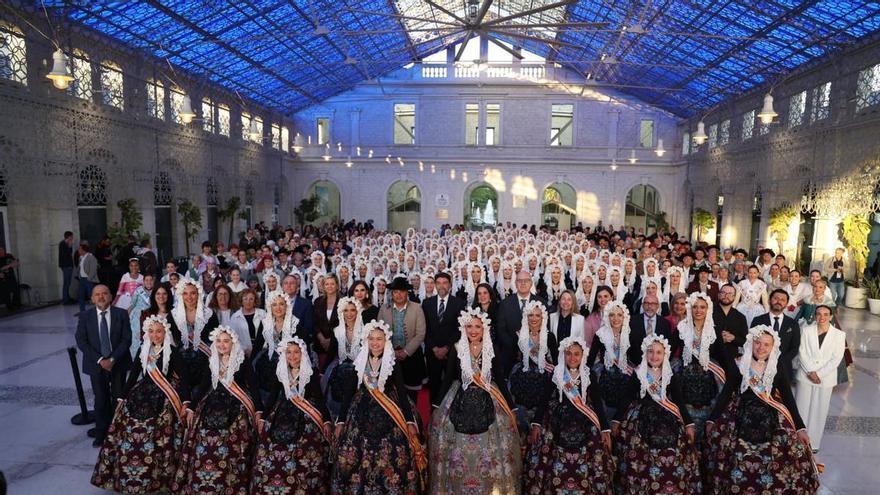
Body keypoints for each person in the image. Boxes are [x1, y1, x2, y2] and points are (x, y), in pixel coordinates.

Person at [704, 325, 819, 494]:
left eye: (766, 344)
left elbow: (788, 399)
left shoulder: (777, 367)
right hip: (740, 418)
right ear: (751, 343)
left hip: (770, 418)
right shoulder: (739, 364)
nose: (761, 348)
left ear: (773, 347)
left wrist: (800, 427)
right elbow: (726, 393)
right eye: (757, 343)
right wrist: (711, 419)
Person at [91, 315, 189, 492]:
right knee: (129, 424)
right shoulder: (142, 350)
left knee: (162, 426)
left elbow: (184, 380)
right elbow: (134, 374)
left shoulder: (173, 352)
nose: (155, 335)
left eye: (158, 331)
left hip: (165, 394)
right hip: (142, 392)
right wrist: (122, 397)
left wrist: (186, 401)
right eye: (151, 331)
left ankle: (159, 478)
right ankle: (128, 475)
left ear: (165, 332)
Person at [430, 308, 521, 494]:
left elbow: (500, 379)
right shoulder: (457, 348)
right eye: (469, 326)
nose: (473, 331)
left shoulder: (492, 348)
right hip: (459, 397)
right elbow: (447, 378)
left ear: (484, 329)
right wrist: (436, 406)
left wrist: (512, 408)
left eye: (477, 327)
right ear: (464, 328)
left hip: (489, 396)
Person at [332, 320, 425, 494]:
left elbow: (403, 394)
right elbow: (348, 393)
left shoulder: (392, 363)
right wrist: (341, 420)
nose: (375, 343)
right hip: (361, 408)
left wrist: (410, 421)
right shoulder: (359, 362)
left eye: (379, 339)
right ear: (366, 340)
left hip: (389, 408)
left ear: (386, 341)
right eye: (372, 339)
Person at [172, 325, 262, 494]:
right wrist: (192, 407)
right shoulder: (213, 360)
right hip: (211, 405)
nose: (222, 345)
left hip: (237, 407)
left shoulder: (243, 361)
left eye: (226, 341)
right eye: (219, 341)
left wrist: (259, 412)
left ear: (233, 343)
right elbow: (204, 385)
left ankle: (229, 484)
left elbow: (254, 388)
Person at [523, 336, 614, 495]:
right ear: (563, 355)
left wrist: (605, 429)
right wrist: (536, 423)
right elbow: (544, 399)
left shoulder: (589, 374)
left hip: (585, 419)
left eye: (576, 354)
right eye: (569, 354)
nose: (572, 358)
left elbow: (598, 403)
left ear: (582, 356)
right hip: (559, 417)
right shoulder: (557, 373)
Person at [612, 335, 701, 495]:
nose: (654, 356)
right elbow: (626, 398)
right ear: (645, 354)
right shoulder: (638, 374)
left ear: (665, 355)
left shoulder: (670, 375)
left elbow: (679, 401)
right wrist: (617, 420)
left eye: (658, 352)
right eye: (651, 352)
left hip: (668, 418)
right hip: (641, 418)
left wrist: (688, 424)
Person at [251, 337, 331, 493]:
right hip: (281, 415)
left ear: (303, 354)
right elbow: (272, 397)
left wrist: (327, 420)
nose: (293, 356)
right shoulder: (280, 371)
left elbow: (320, 399)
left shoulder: (311, 372)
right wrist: (262, 417)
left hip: (305, 417)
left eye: (296, 352)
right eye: (289, 352)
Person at [75, 284, 132, 446]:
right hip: (96, 364)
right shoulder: (85, 317)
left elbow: (126, 339)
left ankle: (119, 431)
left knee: (119, 398)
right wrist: (101, 360)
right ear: (92, 298)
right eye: (97, 294)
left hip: (118, 363)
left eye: (104, 293)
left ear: (111, 296)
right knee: (100, 399)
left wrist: (112, 359)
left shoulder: (121, 314)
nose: (101, 297)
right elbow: (82, 341)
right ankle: (101, 432)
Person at [673, 292, 726, 447]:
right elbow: (669, 349)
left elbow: (723, 356)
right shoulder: (682, 328)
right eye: (695, 306)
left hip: (709, 378)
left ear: (708, 309)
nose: (698, 310)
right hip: (685, 378)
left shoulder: (714, 329)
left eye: (702, 307)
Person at [795, 305, 846, 452]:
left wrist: (819, 374)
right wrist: (811, 371)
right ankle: (798, 440)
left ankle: (814, 443)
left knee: (819, 410)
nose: (821, 317)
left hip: (825, 378)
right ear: (815, 316)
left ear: (831, 317)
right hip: (805, 375)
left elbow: (836, 358)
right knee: (801, 407)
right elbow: (801, 351)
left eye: (825, 314)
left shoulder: (838, 335)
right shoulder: (806, 330)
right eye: (818, 314)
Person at [509, 300, 558, 438]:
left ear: (543, 318)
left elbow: (557, 362)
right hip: (522, 377)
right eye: (531, 315)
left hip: (544, 377)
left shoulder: (550, 337)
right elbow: (512, 357)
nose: (534, 318)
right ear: (526, 317)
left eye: (537, 315)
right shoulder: (519, 335)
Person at [379, 277, 427, 401]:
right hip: (390, 356)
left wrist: (406, 351)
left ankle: (412, 419)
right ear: (392, 294)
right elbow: (379, 333)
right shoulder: (384, 309)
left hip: (412, 356)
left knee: (411, 395)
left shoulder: (417, 308)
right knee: (392, 393)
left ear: (407, 292)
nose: (399, 294)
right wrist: (391, 351)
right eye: (395, 292)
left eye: (402, 291)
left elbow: (421, 333)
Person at [422, 272, 466, 405]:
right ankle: (433, 415)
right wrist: (434, 348)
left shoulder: (459, 303)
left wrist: (446, 348)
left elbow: (460, 329)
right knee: (433, 385)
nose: (442, 286)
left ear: (450, 286)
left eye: (445, 283)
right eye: (439, 283)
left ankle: (449, 416)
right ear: (435, 285)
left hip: (451, 352)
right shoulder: (427, 303)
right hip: (432, 352)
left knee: (451, 385)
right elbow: (425, 329)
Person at [323, 296, 365, 419]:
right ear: (341, 312)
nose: (349, 313)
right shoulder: (337, 330)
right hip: (341, 367)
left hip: (360, 369)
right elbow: (331, 352)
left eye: (352, 310)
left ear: (358, 312)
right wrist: (322, 371)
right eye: (346, 310)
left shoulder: (365, 330)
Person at [170, 279, 213, 397]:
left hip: (205, 364)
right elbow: (171, 341)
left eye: (193, 293)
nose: (189, 297)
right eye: (185, 293)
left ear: (198, 294)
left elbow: (214, 340)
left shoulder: (209, 314)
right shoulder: (173, 314)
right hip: (181, 364)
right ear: (180, 295)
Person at [254, 291, 299, 399]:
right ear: (270, 307)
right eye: (274, 305)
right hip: (269, 357)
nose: (278, 308)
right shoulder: (265, 322)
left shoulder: (295, 322)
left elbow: (300, 347)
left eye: (281, 304)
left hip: (291, 359)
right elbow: (258, 344)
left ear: (286, 306)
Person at [751, 289, 801, 379]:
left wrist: (780, 361)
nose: (779, 302)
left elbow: (795, 347)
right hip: (759, 367)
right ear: (769, 300)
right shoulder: (758, 320)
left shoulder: (793, 324)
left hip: (784, 368)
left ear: (786, 304)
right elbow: (752, 342)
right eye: (776, 298)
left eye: (782, 300)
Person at [713, 283, 748, 369]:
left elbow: (745, 340)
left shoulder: (740, 317)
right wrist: (719, 338)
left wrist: (733, 338)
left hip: (732, 359)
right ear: (718, 295)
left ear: (734, 297)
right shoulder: (708, 312)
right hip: (712, 357)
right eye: (723, 293)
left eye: (730, 294)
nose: (726, 296)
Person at [313, 273, 341, 366]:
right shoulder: (318, 301)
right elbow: (315, 322)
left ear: (337, 285)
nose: (330, 286)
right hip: (321, 344)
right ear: (323, 286)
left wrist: (331, 340)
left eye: (332, 284)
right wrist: (322, 339)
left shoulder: (343, 301)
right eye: (327, 284)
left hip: (338, 344)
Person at [230, 288, 265, 357]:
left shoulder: (263, 314)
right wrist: (243, 349)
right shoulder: (235, 316)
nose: (248, 302)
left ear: (255, 301)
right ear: (241, 301)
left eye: (251, 299)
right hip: (243, 353)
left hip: (261, 351)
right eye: (245, 299)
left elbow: (267, 333)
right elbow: (233, 337)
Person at [127, 273, 155, 358]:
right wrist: (126, 317)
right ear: (143, 281)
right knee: (136, 339)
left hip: (151, 317)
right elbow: (132, 305)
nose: (149, 282)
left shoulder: (157, 290)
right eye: (146, 280)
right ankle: (135, 359)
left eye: (151, 280)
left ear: (153, 281)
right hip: (137, 318)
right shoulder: (138, 290)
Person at [76, 242, 99, 313]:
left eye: (79, 249)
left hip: (88, 279)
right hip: (82, 279)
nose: (78, 251)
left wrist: (89, 278)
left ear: (83, 250)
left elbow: (93, 269)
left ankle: (97, 310)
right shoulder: (81, 258)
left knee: (91, 296)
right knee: (81, 295)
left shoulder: (91, 257)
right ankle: (82, 311)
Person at [59, 231, 76, 304]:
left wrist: (70, 246)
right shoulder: (62, 244)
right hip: (66, 266)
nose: (72, 238)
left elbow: (70, 253)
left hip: (69, 265)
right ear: (69, 237)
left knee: (68, 282)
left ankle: (67, 297)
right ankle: (65, 299)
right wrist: (69, 246)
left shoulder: (68, 244)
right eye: (71, 237)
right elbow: (65, 255)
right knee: (66, 282)